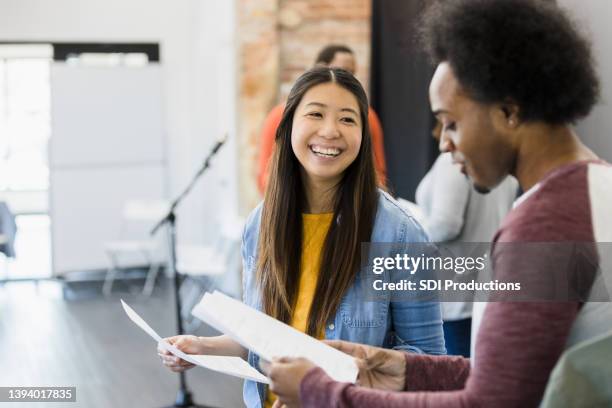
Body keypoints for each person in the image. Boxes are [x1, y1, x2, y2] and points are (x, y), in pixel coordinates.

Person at [262, 0, 612, 406]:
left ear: (509, 111)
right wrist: (407, 370)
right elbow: (517, 374)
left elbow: (488, 403)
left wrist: (319, 392)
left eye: (451, 122)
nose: (444, 142)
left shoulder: (546, 224)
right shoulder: (594, 184)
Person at [158, 67, 445, 408]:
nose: (330, 130)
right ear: (290, 123)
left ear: (363, 135)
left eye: (348, 120)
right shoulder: (261, 222)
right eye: (316, 114)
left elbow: (429, 362)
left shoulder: (400, 235)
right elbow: (263, 332)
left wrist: (332, 384)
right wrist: (203, 347)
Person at [415, 124, 518, 357]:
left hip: (457, 290)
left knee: (457, 373)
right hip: (487, 283)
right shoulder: (504, 161)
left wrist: (410, 233)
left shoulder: (453, 161)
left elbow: (446, 224)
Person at [256, 44, 387, 193]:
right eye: (342, 70)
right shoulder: (277, 116)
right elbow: (265, 175)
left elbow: (378, 171)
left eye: (347, 119)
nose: (329, 132)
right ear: (321, 68)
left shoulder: (369, 118)